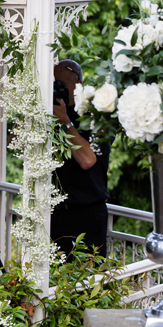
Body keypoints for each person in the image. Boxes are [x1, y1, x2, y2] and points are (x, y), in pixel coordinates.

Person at [50, 59, 110, 258]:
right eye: (52, 85)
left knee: (88, 284)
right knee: (53, 285)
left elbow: (87, 160)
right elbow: (12, 143)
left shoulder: (96, 116)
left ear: (78, 86)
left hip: (87, 215)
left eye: (61, 85)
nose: (57, 90)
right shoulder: (48, 113)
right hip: (55, 214)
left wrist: (65, 122)